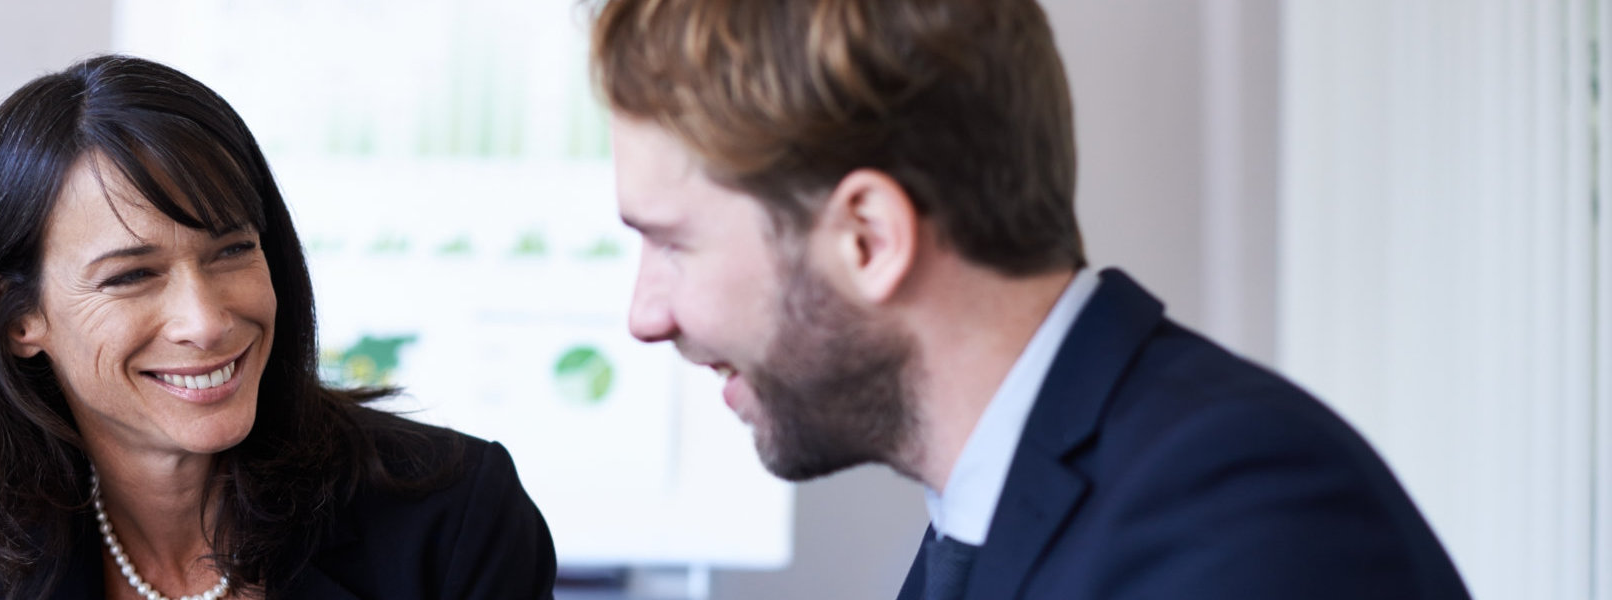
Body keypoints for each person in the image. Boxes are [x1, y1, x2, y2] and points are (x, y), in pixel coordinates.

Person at [589, 1, 1469, 598]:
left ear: (869, 238)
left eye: (671, 243)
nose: (646, 315)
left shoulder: (1243, 517)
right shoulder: (987, 514)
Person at [0, 55, 556, 599]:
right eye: (132, 276)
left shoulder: (458, 516)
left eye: (231, 250)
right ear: (16, 316)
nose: (207, 321)